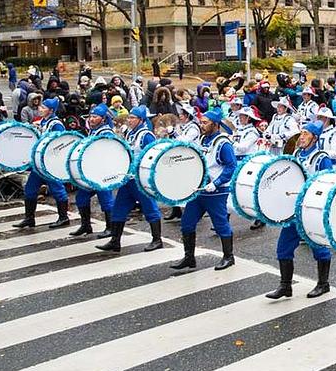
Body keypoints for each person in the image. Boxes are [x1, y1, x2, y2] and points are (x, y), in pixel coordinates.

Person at [265, 122, 334, 300]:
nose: (301, 137)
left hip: (311, 211)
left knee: (318, 248)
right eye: (301, 133)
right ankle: (285, 286)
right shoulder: (296, 153)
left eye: (306, 134)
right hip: (294, 210)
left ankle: (323, 284)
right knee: (283, 248)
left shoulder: (321, 158)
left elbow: (327, 184)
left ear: (315, 137)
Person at [170, 108, 237, 271]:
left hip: (216, 191)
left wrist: (216, 182)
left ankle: (229, 256)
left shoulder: (223, 143)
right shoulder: (202, 139)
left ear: (215, 124)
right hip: (199, 189)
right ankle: (189, 257)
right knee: (187, 223)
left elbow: (231, 166)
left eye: (205, 123)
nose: (201, 125)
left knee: (220, 224)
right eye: (201, 122)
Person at [96, 106, 164, 253]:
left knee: (149, 207)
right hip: (127, 179)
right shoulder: (130, 133)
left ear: (141, 120)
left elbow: (153, 155)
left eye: (133, 118)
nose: (130, 120)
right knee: (118, 208)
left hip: (139, 179)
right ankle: (115, 240)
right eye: (129, 118)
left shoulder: (146, 135)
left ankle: (157, 239)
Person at [15, 98, 71, 229]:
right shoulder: (43, 122)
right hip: (39, 164)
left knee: (57, 190)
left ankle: (64, 217)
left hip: (49, 164)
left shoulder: (56, 124)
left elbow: (60, 143)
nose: (40, 109)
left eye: (43, 107)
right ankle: (29, 218)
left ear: (51, 111)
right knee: (30, 190)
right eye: (41, 107)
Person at [69, 104, 116, 239]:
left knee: (106, 200)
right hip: (90, 172)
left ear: (103, 119)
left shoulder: (106, 132)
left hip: (102, 172)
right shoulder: (93, 131)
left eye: (95, 117)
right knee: (81, 197)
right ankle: (86, 225)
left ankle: (110, 228)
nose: (91, 119)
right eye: (90, 116)